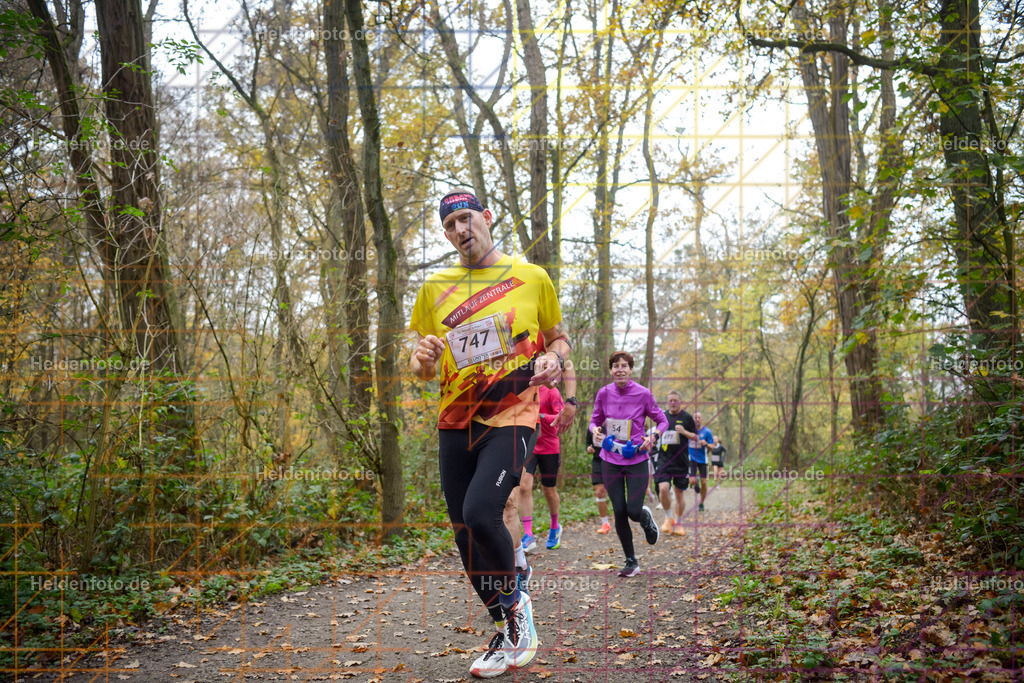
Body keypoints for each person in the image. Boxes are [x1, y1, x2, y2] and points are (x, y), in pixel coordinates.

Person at [410, 188, 576, 678]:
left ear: (486, 218)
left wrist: (554, 359)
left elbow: (559, 337)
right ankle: (505, 625)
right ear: (445, 235)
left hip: (513, 414)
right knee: (464, 536)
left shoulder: (531, 277)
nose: (461, 232)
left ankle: (519, 612)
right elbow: (419, 362)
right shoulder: (434, 288)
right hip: (454, 420)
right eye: (450, 226)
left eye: (466, 219)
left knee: (481, 513)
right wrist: (419, 360)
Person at [590, 351, 667, 577]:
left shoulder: (643, 394)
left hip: (637, 458)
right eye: (616, 366)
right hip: (610, 459)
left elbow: (662, 420)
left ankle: (644, 516)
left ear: (630, 369)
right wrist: (594, 429)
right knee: (619, 511)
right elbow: (595, 420)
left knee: (633, 510)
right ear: (611, 370)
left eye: (624, 365)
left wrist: (652, 437)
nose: (620, 369)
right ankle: (631, 561)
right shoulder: (603, 393)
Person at [520, 385, 566, 551]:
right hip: (529, 446)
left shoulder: (551, 391)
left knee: (549, 491)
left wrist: (541, 417)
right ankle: (528, 535)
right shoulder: (523, 389)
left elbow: (562, 416)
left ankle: (555, 526)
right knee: (524, 487)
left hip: (549, 447)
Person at [654, 391, 697, 535]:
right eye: (670, 400)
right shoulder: (662, 417)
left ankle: (678, 523)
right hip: (664, 460)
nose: (672, 403)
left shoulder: (687, 417)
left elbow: (695, 437)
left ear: (680, 402)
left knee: (679, 495)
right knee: (663, 489)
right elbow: (655, 434)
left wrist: (684, 432)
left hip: (681, 461)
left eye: (675, 400)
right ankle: (668, 516)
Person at [587, 426, 611, 534]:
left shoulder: (613, 425)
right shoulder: (592, 427)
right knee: (600, 492)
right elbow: (588, 444)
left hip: (613, 461)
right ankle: (605, 523)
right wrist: (588, 449)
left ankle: (622, 517)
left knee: (614, 492)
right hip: (597, 461)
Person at [689, 411, 714, 512]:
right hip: (691, 459)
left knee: (704, 482)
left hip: (703, 460)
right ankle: (695, 483)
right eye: (695, 417)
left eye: (699, 417)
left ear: (702, 419)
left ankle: (702, 503)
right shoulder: (689, 431)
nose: (697, 419)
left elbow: (712, 447)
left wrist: (706, 444)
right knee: (692, 480)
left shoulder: (707, 432)